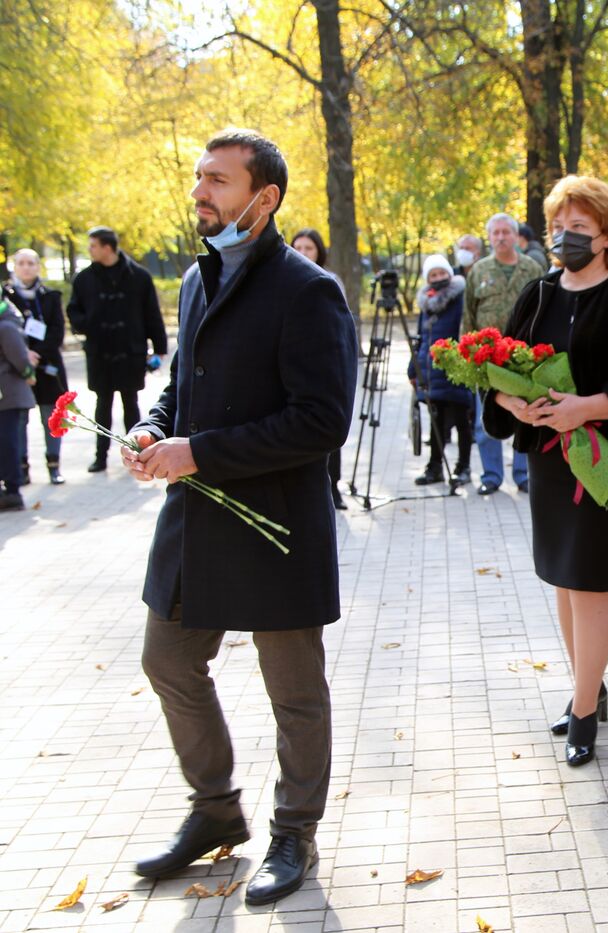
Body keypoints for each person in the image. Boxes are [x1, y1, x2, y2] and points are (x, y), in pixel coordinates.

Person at [123, 129, 356, 906]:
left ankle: (295, 830)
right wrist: (156, 428)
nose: (200, 192)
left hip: (275, 526)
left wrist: (201, 452)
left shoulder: (308, 289)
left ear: (264, 198)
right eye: (198, 178)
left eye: (217, 180)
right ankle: (216, 808)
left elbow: (323, 421)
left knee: (293, 688)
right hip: (195, 523)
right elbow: (179, 386)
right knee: (167, 659)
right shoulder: (194, 279)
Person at [483, 174, 608, 767]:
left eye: (579, 228)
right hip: (550, 462)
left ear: (606, 234)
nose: (566, 238)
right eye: (559, 227)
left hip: (607, 461)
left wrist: (584, 408)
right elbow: (499, 370)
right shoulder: (538, 294)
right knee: (565, 579)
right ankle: (587, 687)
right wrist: (511, 402)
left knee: (592, 580)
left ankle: (584, 711)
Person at [66, 226, 167, 473]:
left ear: (107, 247)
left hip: (130, 351)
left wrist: (160, 348)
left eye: (93, 245)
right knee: (102, 404)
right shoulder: (84, 278)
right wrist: (87, 324)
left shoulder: (139, 276)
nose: (90, 250)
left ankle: (137, 454)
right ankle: (100, 456)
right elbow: (73, 310)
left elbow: (151, 313)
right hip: (100, 352)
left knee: (131, 403)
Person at [465, 213, 544, 495]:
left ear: (515, 236)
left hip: (522, 359)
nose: (500, 237)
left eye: (505, 232)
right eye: (495, 233)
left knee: (525, 413)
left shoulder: (533, 269)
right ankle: (491, 475)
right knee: (484, 420)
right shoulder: (478, 271)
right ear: (489, 238)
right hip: (487, 360)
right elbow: (469, 315)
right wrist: (470, 355)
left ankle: (523, 474)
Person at [291, 228, 348, 509]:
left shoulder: (328, 283)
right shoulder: (282, 281)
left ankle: (333, 486)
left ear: (319, 252)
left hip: (324, 368)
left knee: (327, 431)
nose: (303, 253)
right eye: (297, 247)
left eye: (309, 248)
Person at [4, 249, 69, 485]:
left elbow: (56, 333)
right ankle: (20, 468)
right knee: (18, 420)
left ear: (38, 267)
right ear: (14, 267)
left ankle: (54, 466)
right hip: (16, 367)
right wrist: (23, 355)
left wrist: (36, 354)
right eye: (21, 263)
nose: (26, 267)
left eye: (31, 263)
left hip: (48, 366)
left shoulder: (50, 296)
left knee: (51, 416)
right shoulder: (5, 296)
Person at [409, 255, 474, 486]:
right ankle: (435, 467)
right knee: (436, 422)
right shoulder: (426, 303)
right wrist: (413, 367)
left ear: (449, 273)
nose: (438, 278)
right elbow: (420, 338)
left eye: (441, 273)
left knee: (461, 420)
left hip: (456, 369)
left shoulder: (460, 299)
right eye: (433, 275)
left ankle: (463, 466)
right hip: (430, 371)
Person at [0, 296, 36, 511]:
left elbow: (21, 360)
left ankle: (13, 491)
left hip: (10, 395)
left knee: (9, 443)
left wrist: (29, 373)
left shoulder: (5, 327)